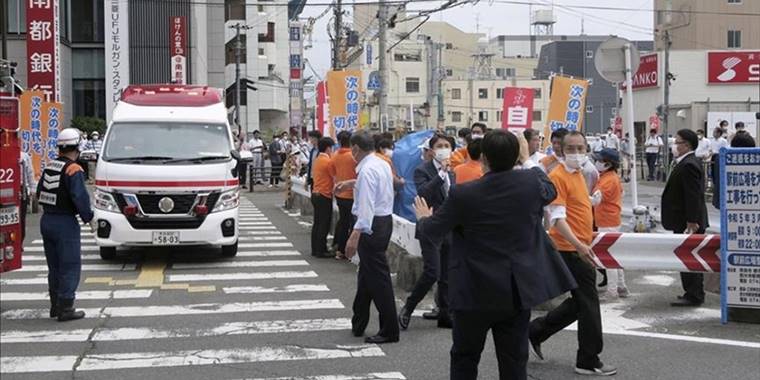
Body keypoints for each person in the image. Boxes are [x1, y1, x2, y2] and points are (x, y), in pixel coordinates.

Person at [414, 130, 574, 380]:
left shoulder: (463, 194)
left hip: (473, 290)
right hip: (515, 290)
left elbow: (431, 232)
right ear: (516, 157)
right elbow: (549, 189)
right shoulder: (531, 185)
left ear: (484, 158)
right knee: (513, 361)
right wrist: (526, 159)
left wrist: (423, 219)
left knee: (465, 358)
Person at [530, 131, 617, 376]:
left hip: (578, 246)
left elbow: (576, 204)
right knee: (589, 304)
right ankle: (588, 359)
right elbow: (557, 219)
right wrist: (579, 245)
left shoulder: (578, 174)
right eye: (571, 148)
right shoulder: (557, 176)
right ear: (560, 150)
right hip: (569, 248)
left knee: (581, 303)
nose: (577, 153)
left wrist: (591, 202)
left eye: (581, 148)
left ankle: (536, 331)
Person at [344, 131, 399, 344]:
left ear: (356, 148)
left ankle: (390, 329)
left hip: (371, 225)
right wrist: (351, 184)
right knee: (367, 275)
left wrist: (354, 235)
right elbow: (377, 191)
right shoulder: (381, 163)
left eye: (352, 150)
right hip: (383, 221)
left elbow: (366, 206)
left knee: (379, 280)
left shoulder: (367, 170)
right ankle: (359, 321)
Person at [399, 134, 456, 330]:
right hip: (430, 227)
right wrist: (441, 174)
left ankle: (445, 314)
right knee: (433, 271)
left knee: (447, 274)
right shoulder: (422, 170)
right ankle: (409, 306)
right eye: (440, 146)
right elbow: (423, 193)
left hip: (449, 228)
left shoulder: (453, 172)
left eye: (447, 145)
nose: (444, 149)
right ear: (431, 151)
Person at [37, 128, 95, 322]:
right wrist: (89, 218)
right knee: (70, 265)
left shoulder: (49, 166)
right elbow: (80, 198)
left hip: (47, 220)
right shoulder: (74, 169)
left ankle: (55, 305)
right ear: (77, 147)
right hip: (65, 222)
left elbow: (39, 193)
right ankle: (66, 307)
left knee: (54, 266)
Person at [663, 129, 709, 307]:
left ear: (687, 145)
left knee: (690, 256)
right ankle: (691, 291)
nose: (674, 145)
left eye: (677, 142)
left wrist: (692, 221)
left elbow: (693, 196)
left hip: (688, 221)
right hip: (683, 219)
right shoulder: (684, 162)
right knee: (686, 256)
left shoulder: (689, 164)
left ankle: (694, 294)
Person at [591, 148, 629, 300]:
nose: (597, 162)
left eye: (599, 160)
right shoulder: (611, 176)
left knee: (608, 257)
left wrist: (578, 197)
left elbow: (595, 200)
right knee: (614, 254)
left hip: (607, 221)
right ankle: (621, 286)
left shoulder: (607, 180)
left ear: (607, 164)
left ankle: (612, 291)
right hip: (612, 219)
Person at [331, 131, 358, 260]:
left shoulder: (335, 155)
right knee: (353, 224)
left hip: (340, 193)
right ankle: (351, 251)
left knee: (343, 222)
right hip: (352, 194)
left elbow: (333, 173)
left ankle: (340, 250)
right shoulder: (353, 157)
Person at [310, 137, 336, 258]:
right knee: (324, 224)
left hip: (315, 193)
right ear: (328, 148)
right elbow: (334, 177)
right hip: (324, 195)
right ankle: (321, 250)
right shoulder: (328, 162)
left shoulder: (317, 160)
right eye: (332, 148)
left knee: (317, 223)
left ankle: (315, 249)